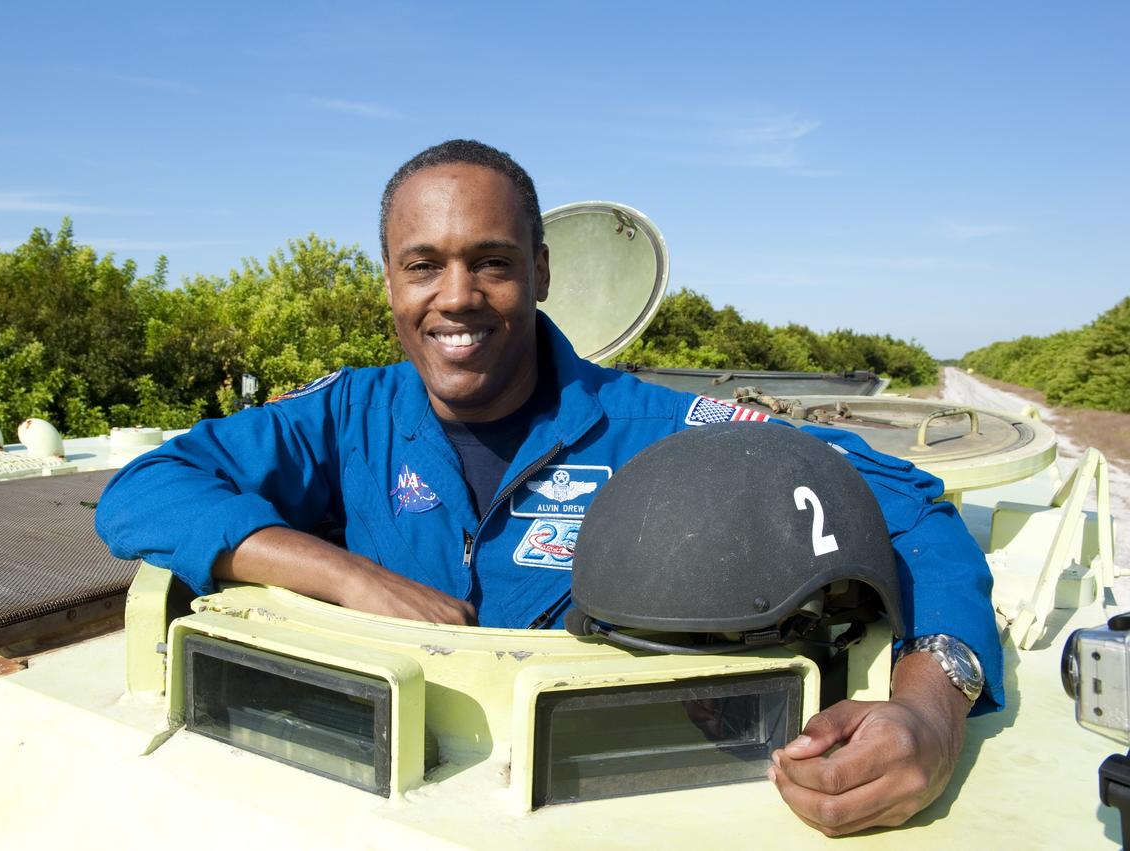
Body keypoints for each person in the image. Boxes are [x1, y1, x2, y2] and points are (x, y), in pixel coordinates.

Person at [96, 139, 1003, 836]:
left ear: (542, 270)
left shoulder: (657, 426)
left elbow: (911, 507)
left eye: (491, 261)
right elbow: (145, 488)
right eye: (423, 264)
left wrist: (930, 707)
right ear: (389, 280)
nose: (456, 296)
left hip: (592, 805)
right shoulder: (348, 415)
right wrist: (343, 574)